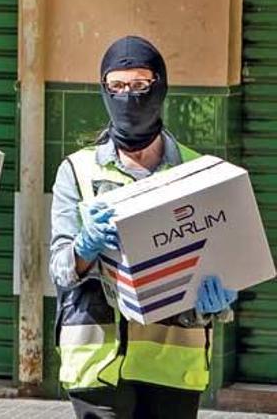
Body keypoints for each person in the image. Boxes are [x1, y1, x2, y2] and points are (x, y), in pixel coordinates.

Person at [50, 35, 237, 419]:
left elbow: (222, 262)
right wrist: (83, 249)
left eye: (139, 85)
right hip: (97, 366)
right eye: (116, 86)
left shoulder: (196, 170)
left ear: (160, 87)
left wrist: (221, 302)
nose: (128, 97)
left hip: (171, 364)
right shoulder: (77, 170)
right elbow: (59, 268)